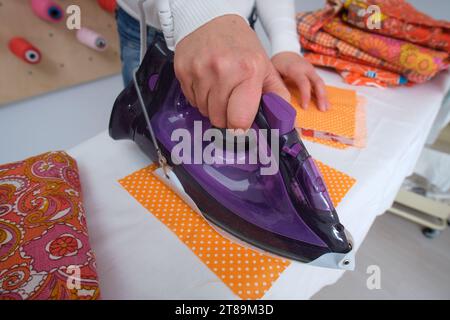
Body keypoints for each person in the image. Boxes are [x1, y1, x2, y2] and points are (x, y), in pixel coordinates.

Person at [116, 0, 329, 131]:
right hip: (151, 26)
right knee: (147, 121)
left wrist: (286, 45)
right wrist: (195, 9)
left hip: (235, 28)